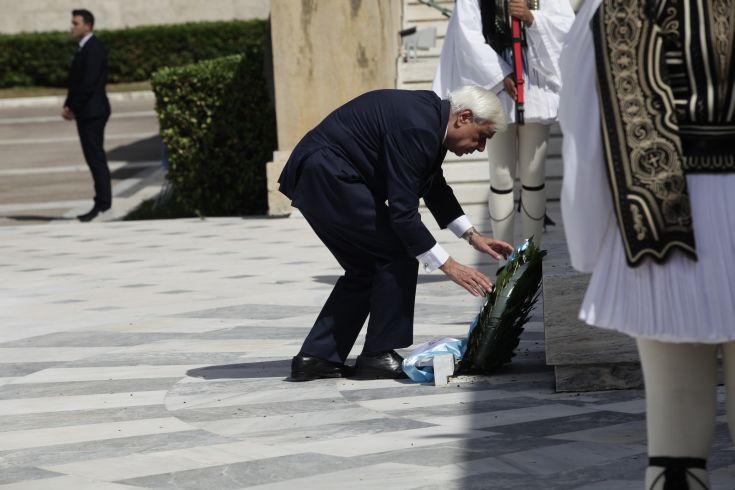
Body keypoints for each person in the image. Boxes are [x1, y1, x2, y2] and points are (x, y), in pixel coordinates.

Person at [559, 1, 735, 488]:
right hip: (675, 210)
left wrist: (588, 245)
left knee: (676, 426)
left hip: (663, 213)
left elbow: (585, 137)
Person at [279, 85, 514, 381]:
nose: (480, 148)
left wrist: (472, 236)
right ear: (464, 117)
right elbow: (403, 215)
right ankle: (377, 355)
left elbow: (433, 185)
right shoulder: (419, 126)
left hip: (322, 175)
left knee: (366, 267)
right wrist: (449, 265)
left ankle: (317, 358)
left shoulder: (431, 120)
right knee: (397, 254)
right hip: (328, 175)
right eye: (482, 137)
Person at [433, 0, 574, 259]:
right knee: (501, 178)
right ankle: (505, 263)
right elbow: (467, 33)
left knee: (534, 178)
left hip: (536, 85)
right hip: (496, 87)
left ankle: (529, 261)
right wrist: (501, 74)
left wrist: (532, 18)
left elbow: (565, 24)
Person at [63, 9, 112, 222]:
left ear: (88, 26)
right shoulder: (84, 47)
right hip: (87, 111)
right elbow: (75, 81)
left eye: (76, 23)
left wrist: (73, 106)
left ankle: (103, 204)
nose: (72, 27)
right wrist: (68, 104)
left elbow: (89, 83)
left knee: (96, 158)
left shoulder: (94, 48)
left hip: (93, 111)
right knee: (93, 158)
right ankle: (101, 202)